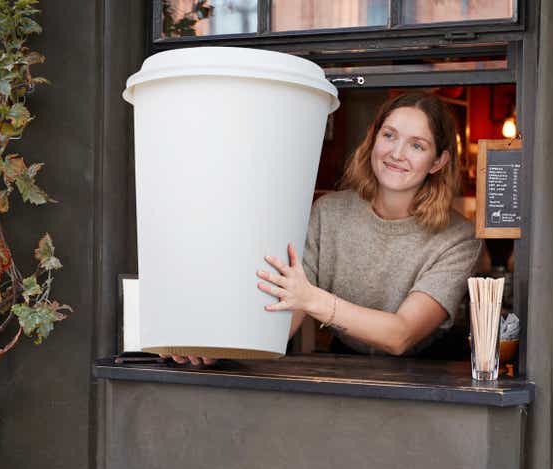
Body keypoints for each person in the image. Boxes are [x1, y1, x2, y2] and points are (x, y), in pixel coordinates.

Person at [168, 91, 481, 365]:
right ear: (373, 139)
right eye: (389, 136)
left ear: (438, 162)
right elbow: (288, 309)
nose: (397, 153)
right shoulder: (329, 212)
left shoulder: (457, 237)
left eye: (417, 145)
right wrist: (219, 349)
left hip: (428, 378)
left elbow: (400, 336)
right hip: (343, 363)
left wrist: (311, 299)